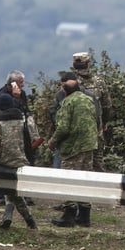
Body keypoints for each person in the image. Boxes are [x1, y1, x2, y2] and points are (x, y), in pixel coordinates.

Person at [47, 72, 98, 228]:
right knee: (85, 180)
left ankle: (68, 216)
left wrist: (52, 141)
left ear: (65, 90)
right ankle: (84, 217)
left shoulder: (67, 103)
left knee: (68, 180)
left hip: (73, 148)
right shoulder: (89, 100)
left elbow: (62, 127)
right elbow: (97, 118)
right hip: (89, 146)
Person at [0, 92, 38, 229]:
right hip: (24, 163)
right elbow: (35, 140)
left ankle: (18, 216)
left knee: (7, 184)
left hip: (5, 164)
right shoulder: (25, 121)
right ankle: (29, 221)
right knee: (11, 189)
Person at [0, 70, 37, 206]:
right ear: (12, 83)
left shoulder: (21, 93)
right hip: (8, 131)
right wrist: (16, 98)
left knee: (27, 159)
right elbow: (10, 111)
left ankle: (25, 194)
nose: (23, 85)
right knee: (6, 161)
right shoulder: (2, 95)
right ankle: (2, 195)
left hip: (22, 129)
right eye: (20, 82)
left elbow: (25, 109)